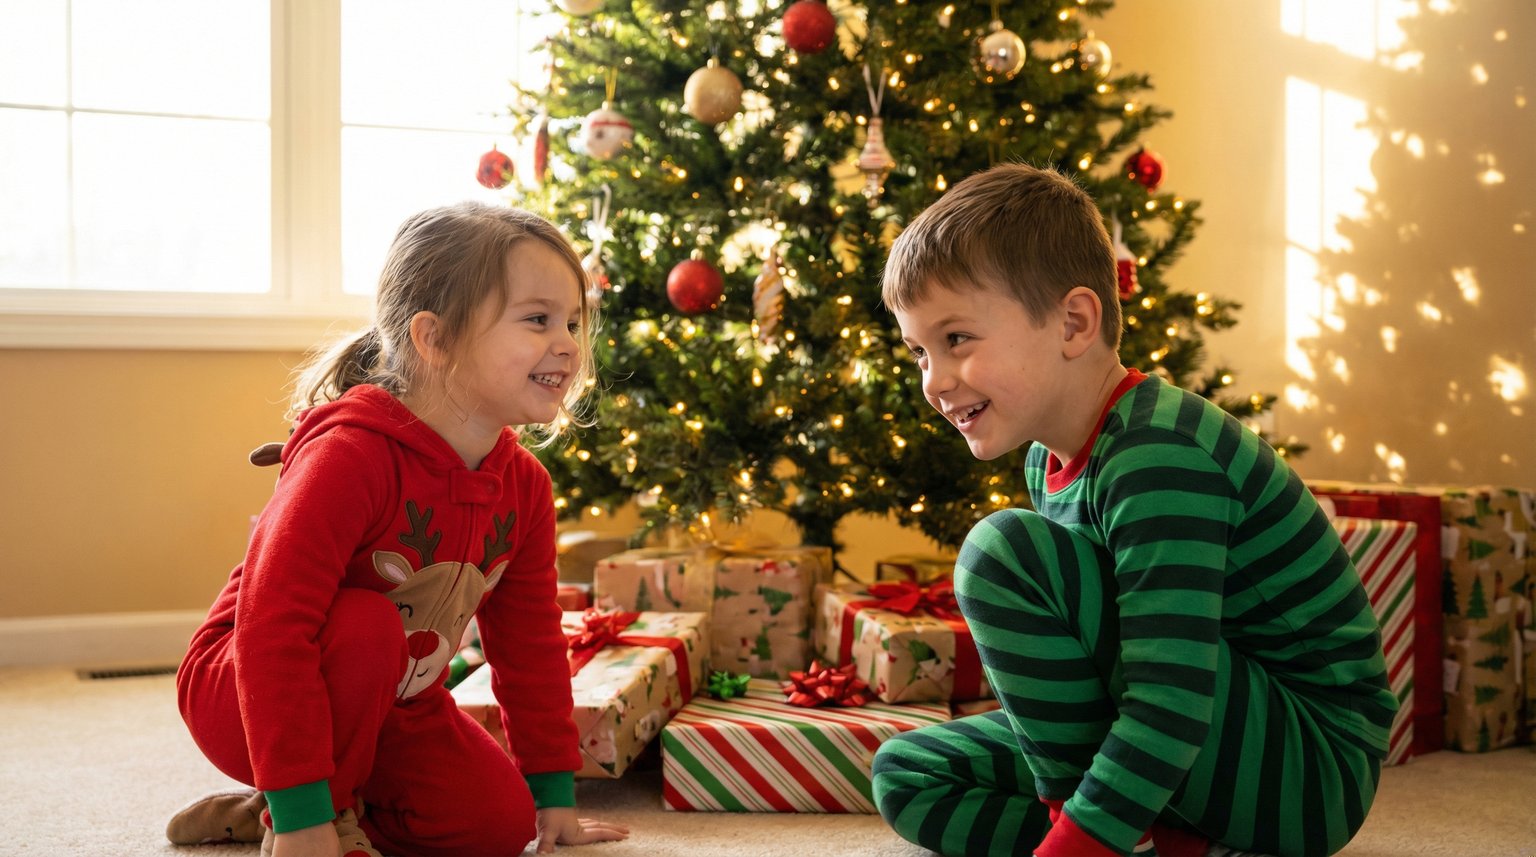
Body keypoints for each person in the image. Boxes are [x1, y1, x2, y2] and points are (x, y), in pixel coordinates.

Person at [870, 164, 1396, 857]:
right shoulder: (1044, 459)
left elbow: (1170, 693)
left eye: (956, 339)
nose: (934, 381)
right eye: (919, 351)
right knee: (907, 772)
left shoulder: (1159, 453)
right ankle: (1159, 838)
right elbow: (1092, 668)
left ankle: (1106, 836)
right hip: (1190, 730)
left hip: (1307, 767)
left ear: (1074, 322)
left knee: (1001, 552)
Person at [165, 202, 629, 857]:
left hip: (395, 703)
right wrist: (304, 818)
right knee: (365, 623)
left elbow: (527, 645)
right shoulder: (348, 457)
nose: (568, 343)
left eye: (573, 322)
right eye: (537, 319)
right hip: (245, 683)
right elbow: (273, 628)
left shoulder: (524, 486)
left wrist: (552, 792)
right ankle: (305, 807)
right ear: (433, 338)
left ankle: (273, 805)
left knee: (496, 825)